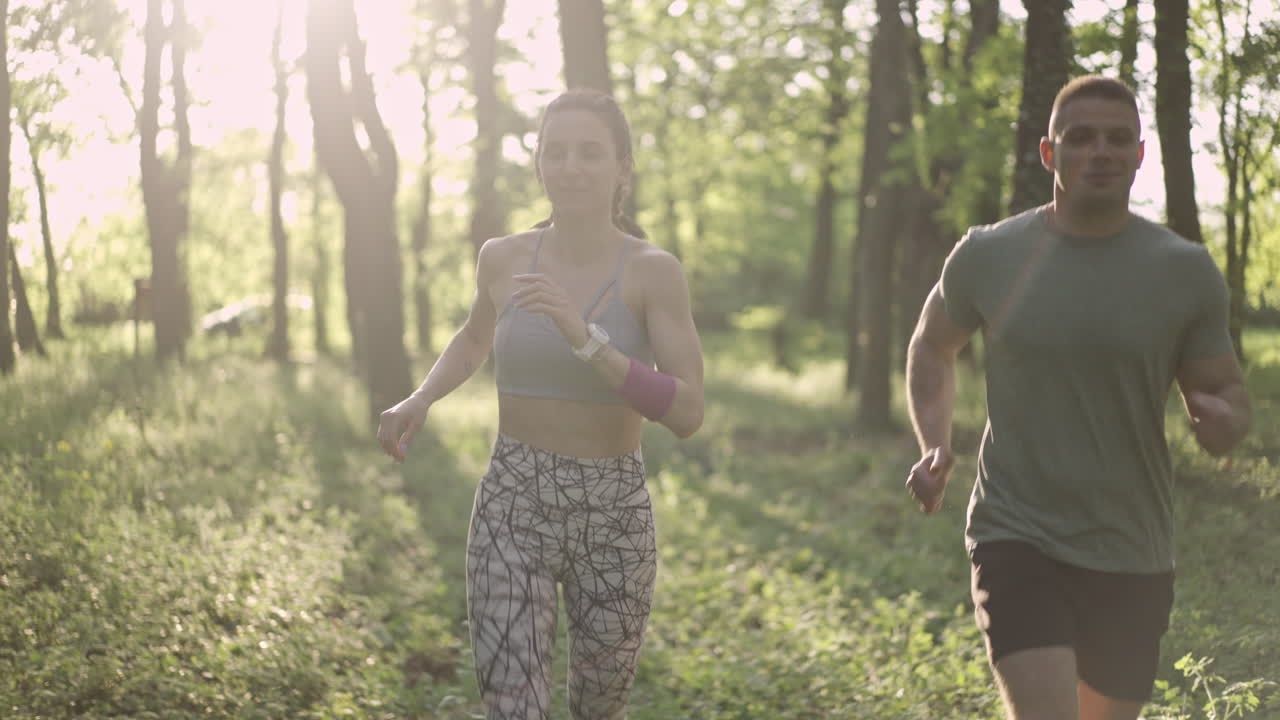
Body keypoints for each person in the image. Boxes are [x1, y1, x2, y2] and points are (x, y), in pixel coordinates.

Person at [904, 75, 1251, 720]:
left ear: (1140, 154)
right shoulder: (988, 253)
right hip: (1017, 531)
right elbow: (932, 345)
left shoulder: (1182, 270)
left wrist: (1222, 421)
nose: (1101, 152)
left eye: (1118, 139)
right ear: (1048, 152)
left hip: (1132, 546)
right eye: (1081, 138)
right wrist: (935, 445)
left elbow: (1226, 393)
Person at [376, 89, 704, 720]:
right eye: (555, 152)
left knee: (597, 707)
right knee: (513, 708)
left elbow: (687, 412)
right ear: (538, 164)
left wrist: (586, 340)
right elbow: (475, 338)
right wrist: (421, 398)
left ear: (622, 168)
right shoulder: (501, 259)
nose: (570, 166)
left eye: (590, 152)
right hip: (513, 501)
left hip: (613, 515)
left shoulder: (653, 272)